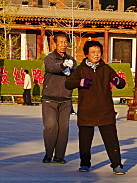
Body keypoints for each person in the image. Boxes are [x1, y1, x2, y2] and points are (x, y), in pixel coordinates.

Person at [65, 40, 127, 173]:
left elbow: (121, 83)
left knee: (111, 140)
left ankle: (116, 164)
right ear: (86, 54)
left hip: (105, 110)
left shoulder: (106, 69)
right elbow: (68, 83)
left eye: (98, 52)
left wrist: (118, 81)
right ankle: (85, 163)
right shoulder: (81, 70)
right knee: (85, 140)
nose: (96, 55)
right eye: (93, 52)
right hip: (87, 109)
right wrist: (80, 82)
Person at [41, 33, 75, 164]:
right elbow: (52, 67)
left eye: (65, 42)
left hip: (65, 99)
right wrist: (63, 66)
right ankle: (48, 154)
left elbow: (75, 76)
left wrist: (72, 71)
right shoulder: (50, 58)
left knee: (63, 129)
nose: (63, 45)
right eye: (60, 42)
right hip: (50, 98)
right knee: (51, 126)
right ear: (55, 44)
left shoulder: (71, 60)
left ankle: (59, 156)